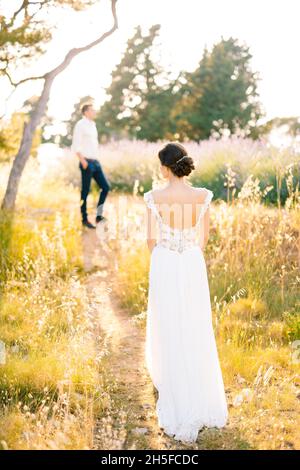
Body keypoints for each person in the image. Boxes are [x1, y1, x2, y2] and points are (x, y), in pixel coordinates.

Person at [143, 142, 228, 443]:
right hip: (192, 262)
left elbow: (150, 240)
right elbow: (203, 238)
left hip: (164, 262)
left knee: (169, 323)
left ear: (165, 167)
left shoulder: (153, 197)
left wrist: (166, 257)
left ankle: (174, 384)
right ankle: (198, 388)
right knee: (195, 324)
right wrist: (188, 255)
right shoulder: (203, 196)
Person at [71, 103, 111, 229]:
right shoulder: (80, 125)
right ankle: (84, 219)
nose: (95, 112)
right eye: (93, 110)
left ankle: (98, 216)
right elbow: (75, 144)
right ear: (86, 111)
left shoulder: (93, 125)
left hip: (96, 162)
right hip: (86, 162)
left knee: (105, 187)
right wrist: (83, 161)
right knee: (85, 191)